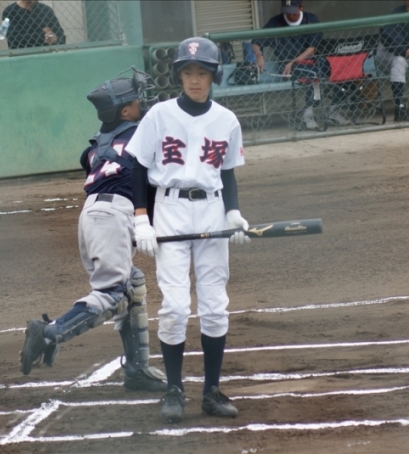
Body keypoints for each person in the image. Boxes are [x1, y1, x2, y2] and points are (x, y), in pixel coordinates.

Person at [19, 67, 167, 393]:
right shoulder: (143, 136)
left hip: (92, 215)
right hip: (113, 216)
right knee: (112, 294)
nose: (144, 103)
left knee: (131, 284)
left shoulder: (99, 143)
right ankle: (48, 333)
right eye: (137, 100)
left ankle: (137, 369)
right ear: (125, 111)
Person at [126, 37, 251, 424]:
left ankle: (211, 391)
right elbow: (137, 167)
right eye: (188, 72)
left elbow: (227, 173)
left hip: (212, 209)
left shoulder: (227, 120)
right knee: (176, 307)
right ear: (179, 76)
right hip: (171, 209)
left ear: (214, 76)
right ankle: (174, 390)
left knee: (214, 305)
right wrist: (141, 218)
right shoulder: (159, 116)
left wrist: (233, 213)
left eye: (202, 73)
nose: (195, 80)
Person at [250, 0, 345, 129]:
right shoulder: (276, 22)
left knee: (341, 69)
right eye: (287, 12)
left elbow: (312, 48)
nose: (290, 15)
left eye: (293, 12)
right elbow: (256, 42)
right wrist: (259, 56)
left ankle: (333, 110)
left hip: (311, 61)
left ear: (301, 7)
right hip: (288, 66)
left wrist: (293, 61)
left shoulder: (310, 19)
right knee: (315, 76)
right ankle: (308, 115)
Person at [1, 0, 66, 50]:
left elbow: (61, 35)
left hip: (46, 56)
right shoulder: (9, 12)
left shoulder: (46, 10)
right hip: (23, 57)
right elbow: (14, 40)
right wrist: (42, 33)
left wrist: (54, 38)